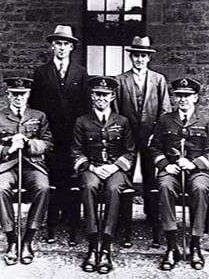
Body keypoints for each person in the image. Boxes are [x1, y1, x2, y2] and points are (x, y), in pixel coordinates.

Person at [29, 25, 89, 243]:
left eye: (66, 44)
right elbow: (35, 106)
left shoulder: (80, 73)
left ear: (72, 47)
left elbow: (85, 107)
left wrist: (81, 135)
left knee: (72, 176)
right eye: (58, 43)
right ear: (52, 46)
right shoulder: (41, 73)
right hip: (49, 135)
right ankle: (52, 222)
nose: (62, 48)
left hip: (72, 136)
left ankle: (73, 220)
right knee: (52, 176)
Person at [71, 76, 136, 274]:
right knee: (90, 186)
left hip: (115, 170)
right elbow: (75, 151)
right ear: (91, 96)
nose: (101, 98)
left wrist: (115, 167)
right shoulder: (82, 121)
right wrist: (92, 168)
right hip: (92, 169)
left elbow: (130, 151)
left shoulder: (122, 121)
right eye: (97, 94)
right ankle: (92, 247)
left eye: (105, 95)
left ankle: (106, 247)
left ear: (112, 96)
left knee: (114, 188)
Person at [149, 77, 209, 270]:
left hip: (197, 172)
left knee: (200, 188)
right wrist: (165, 165)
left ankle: (195, 245)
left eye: (187, 96)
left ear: (195, 98)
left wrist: (193, 164)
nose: (182, 99)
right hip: (172, 171)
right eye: (179, 96)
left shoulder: (206, 120)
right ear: (175, 98)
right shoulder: (165, 120)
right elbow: (154, 147)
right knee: (165, 185)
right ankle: (171, 246)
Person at [0, 77, 53, 265]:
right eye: (15, 95)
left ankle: (27, 240)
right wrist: (8, 149)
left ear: (28, 95)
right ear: (8, 95)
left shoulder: (39, 115)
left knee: (43, 188)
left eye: (23, 95)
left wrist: (28, 143)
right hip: (6, 165)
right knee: (0, 189)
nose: (19, 98)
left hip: (32, 164)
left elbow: (48, 143)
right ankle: (11, 240)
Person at [115, 36, 172, 219]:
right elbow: (116, 111)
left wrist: (157, 135)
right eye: (136, 56)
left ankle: (152, 215)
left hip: (150, 136)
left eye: (143, 56)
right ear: (131, 57)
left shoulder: (158, 80)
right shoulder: (121, 80)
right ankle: (124, 217)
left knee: (151, 176)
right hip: (128, 137)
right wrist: (122, 134)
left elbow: (165, 110)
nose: (139, 59)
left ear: (149, 58)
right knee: (125, 175)